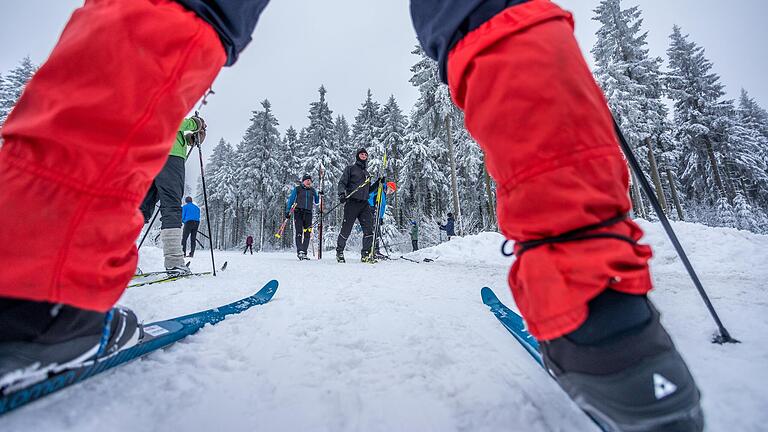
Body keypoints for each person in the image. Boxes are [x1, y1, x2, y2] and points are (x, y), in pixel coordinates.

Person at [0, 1, 702, 429]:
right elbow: (322, 194)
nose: (360, 153)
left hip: (357, 209)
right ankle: (600, 310)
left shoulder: (366, 166)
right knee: (487, 2)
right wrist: (307, 208)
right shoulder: (334, 174)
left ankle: (34, 280)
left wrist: (377, 191)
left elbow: (364, 190)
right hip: (327, 214)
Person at [139, 116, 206, 272]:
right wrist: (195, 123)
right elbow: (170, 120)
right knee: (171, 207)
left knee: (142, 208)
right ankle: (174, 261)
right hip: (170, 157)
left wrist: (192, 138)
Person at [336, 148, 380, 263]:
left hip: (364, 204)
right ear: (357, 156)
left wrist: (377, 184)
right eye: (361, 154)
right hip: (352, 203)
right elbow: (342, 183)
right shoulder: (350, 169)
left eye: (365, 154)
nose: (364, 155)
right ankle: (339, 252)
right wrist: (341, 194)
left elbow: (368, 190)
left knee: (368, 229)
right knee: (346, 229)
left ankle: (365, 254)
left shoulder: (367, 173)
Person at [286, 174, 320, 260]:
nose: (309, 182)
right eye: (307, 180)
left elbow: (316, 201)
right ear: (303, 181)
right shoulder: (297, 189)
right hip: (298, 212)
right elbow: (291, 200)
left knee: (307, 233)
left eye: (310, 181)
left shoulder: (312, 190)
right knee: (299, 232)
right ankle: (300, 251)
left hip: (308, 213)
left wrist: (319, 195)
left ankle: (304, 252)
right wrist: (288, 211)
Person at [368, 181, 396, 260]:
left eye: (392, 192)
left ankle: (376, 250)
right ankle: (373, 251)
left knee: (377, 232)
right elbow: (370, 196)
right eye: (390, 190)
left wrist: (380, 218)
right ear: (388, 186)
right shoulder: (379, 188)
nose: (390, 193)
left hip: (378, 216)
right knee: (375, 232)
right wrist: (372, 207)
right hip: (372, 212)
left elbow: (381, 206)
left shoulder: (383, 192)